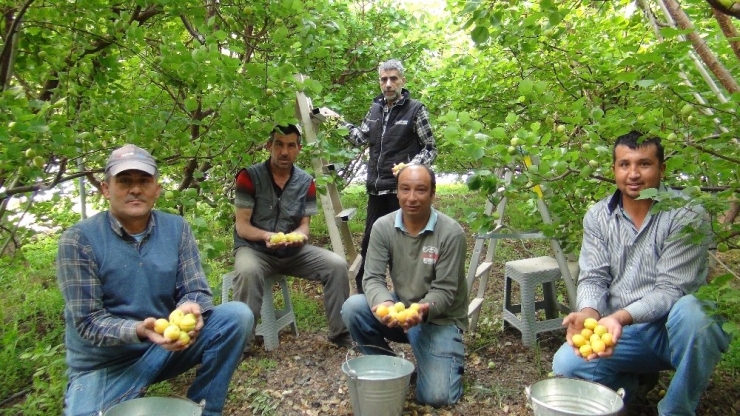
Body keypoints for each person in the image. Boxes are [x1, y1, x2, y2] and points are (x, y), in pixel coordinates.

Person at [56, 144, 253, 416]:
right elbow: (88, 322)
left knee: (236, 316)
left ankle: (205, 409)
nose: (135, 189)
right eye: (124, 181)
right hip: (106, 364)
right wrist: (140, 330)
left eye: (144, 181)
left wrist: (191, 307)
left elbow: (195, 289)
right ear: (105, 189)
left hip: (167, 347)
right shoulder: (79, 240)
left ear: (157, 190)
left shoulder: (176, 228)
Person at [551, 131, 730, 415]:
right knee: (566, 366)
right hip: (621, 332)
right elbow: (594, 277)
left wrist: (619, 317)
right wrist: (588, 312)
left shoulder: (686, 214)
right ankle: (631, 386)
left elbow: (672, 289)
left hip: (672, 331)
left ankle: (677, 408)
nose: (633, 174)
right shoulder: (598, 217)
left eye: (644, 164)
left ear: (662, 168)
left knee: (697, 313)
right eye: (624, 164)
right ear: (614, 170)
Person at [341, 164, 468, 407]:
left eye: (420, 190)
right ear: (397, 192)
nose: (412, 198)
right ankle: (393, 368)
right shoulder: (383, 227)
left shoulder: (451, 233)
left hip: (439, 319)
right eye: (405, 189)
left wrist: (420, 311)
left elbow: (445, 291)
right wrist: (384, 304)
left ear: (432, 194)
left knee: (436, 398)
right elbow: (372, 278)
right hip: (403, 310)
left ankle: (439, 361)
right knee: (353, 308)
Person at [321, 59, 437, 294]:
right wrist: (334, 120)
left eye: (393, 78)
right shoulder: (375, 109)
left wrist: (411, 167)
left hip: (403, 192)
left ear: (402, 81)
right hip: (376, 189)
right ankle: (365, 297)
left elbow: (430, 148)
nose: (388, 84)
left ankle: (412, 297)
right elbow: (359, 138)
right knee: (370, 243)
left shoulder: (416, 109)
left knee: (405, 246)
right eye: (384, 79)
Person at [232, 124, 352, 348]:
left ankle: (340, 333)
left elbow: (304, 226)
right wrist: (267, 236)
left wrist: (297, 236)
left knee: (336, 265)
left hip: (292, 251)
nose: (284, 152)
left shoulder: (306, 182)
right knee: (248, 270)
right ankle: (242, 344)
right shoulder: (249, 177)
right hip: (255, 250)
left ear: (298, 149)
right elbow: (242, 227)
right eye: (278, 144)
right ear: (269, 146)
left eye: (290, 145)